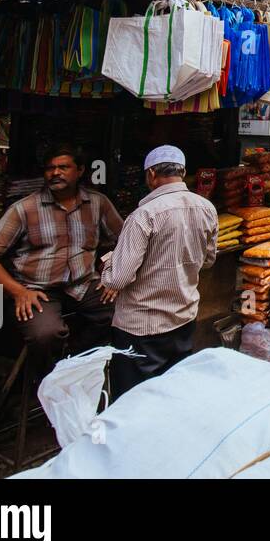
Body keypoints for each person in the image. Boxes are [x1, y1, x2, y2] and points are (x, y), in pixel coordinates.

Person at [0, 144, 122, 378]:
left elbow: (123, 242)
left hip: (83, 284)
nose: (55, 173)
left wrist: (111, 271)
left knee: (125, 311)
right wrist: (18, 292)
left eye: (63, 167)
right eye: (50, 168)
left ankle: (74, 366)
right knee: (45, 334)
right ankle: (46, 383)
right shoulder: (24, 208)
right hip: (37, 289)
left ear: (80, 170)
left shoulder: (98, 203)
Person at [101, 146, 218, 400]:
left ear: (151, 174)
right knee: (169, 395)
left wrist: (109, 261)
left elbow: (118, 278)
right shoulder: (206, 208)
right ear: (183, 172)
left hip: (141, 327)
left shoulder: (143, 215)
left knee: (133, 401)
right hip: (183, 320)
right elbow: (208, 261)